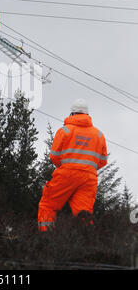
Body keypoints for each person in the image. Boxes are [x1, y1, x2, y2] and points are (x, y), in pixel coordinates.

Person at [37, 99, 108, 231]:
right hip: (89, 178)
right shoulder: (99, 134)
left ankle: (45, 237)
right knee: (84, 213)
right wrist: (87, 168)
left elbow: (54, 156)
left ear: (72, 114)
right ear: (87, 115)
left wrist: (68, 167)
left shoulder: (65, 131)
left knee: (48, 204)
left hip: (67, 173)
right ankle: (87, 242)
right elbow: (103, 161)